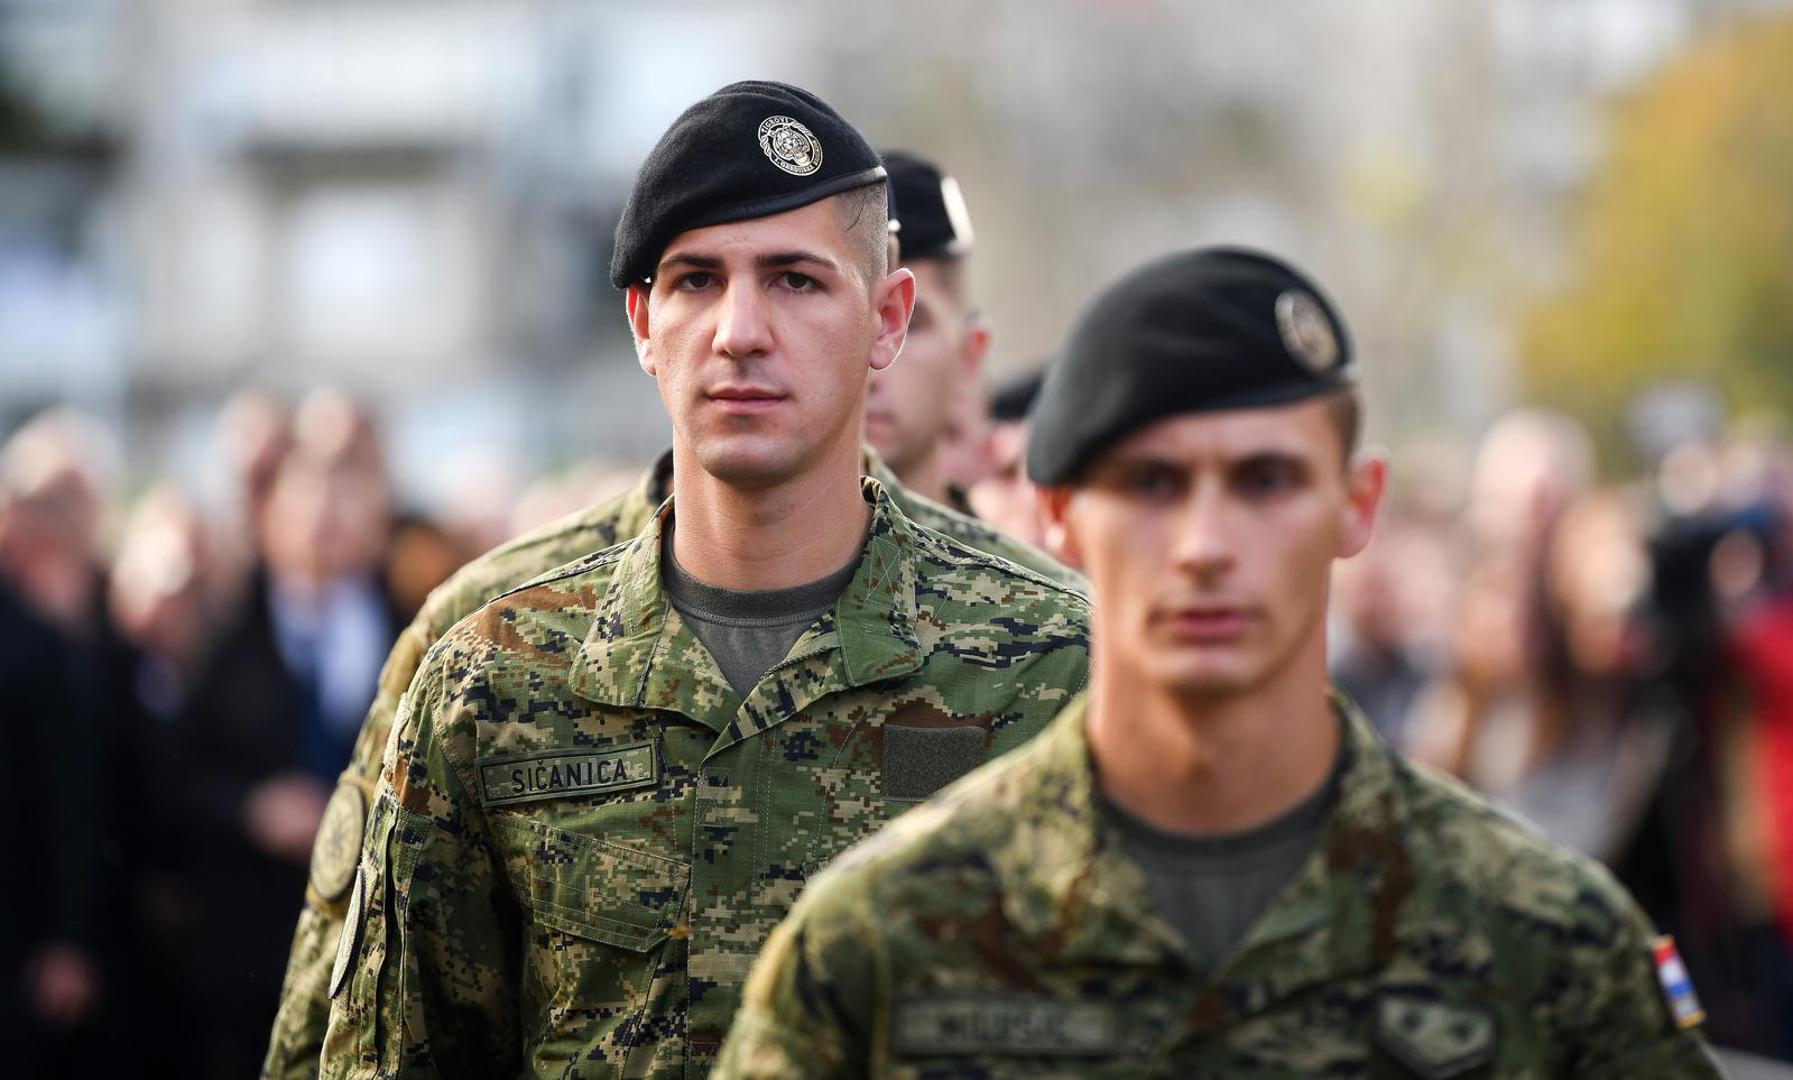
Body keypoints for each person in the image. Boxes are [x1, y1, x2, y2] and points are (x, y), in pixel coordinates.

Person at [713, 248, 1723, 1078]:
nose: (1203, 542)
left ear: (1354, 506)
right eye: (1150, 483)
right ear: (1058, 515)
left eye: (1264, 480)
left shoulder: (1548, 942)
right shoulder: (880, 940)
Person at [315, 80, 1090, 1079]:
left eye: (795, 280)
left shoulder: (1051, 662)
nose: (738, 331)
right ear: (642, 321)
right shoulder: (495, 683)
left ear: (887, 319)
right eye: (693, 281)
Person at [863, 152, 989, 511]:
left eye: (910, 325)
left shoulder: (1016, 569)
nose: (874, 364)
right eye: (858, 318)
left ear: (969, 353)